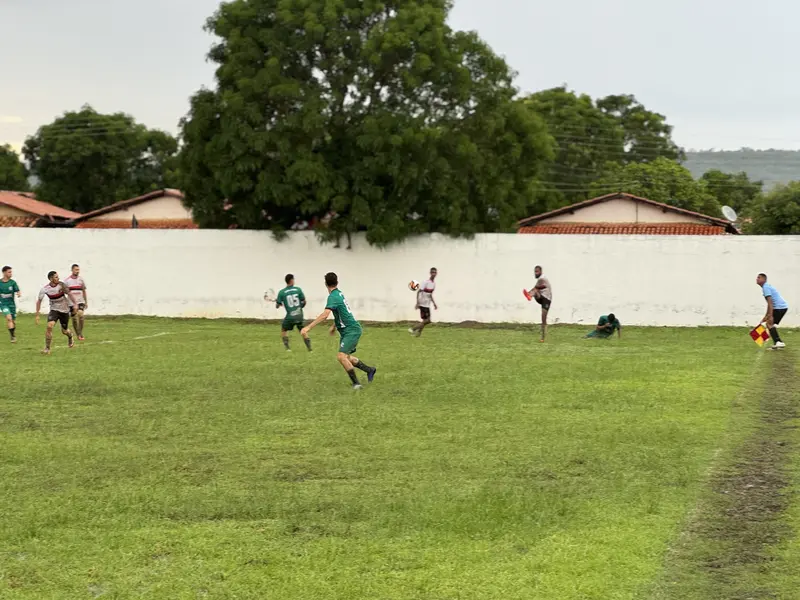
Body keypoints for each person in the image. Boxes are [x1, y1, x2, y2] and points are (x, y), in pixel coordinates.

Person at [301, 272, 376, 389]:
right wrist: (334, 326)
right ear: (337, 282)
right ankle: (369, 370)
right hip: (349, 330)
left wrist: (308, 327)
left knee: (341, 356)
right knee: (347, 357)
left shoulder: (333, 296)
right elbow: (342, 313)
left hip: (351, 330)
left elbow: (325, 315)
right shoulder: (339, 294)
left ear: (326, 284)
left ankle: (357, 384)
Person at [35, 271, 76, 355]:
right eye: (56, 277)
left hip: (64, 310)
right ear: (51, 279)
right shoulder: (45, 289)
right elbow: (39, 301)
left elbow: (69, 294)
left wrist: (75, 304)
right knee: (49, 326)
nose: (58, 278)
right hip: (54, 310)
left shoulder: (62, 285)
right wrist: (37, 315)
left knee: (64, 331)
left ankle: (70, 336)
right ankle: (47, 348)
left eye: (58, 277)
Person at [274, 274, 311, 351]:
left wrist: (278, 304)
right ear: (291, 280)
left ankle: (287, 348)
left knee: (284, 330)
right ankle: (309, 349)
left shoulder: (282, 292)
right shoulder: (298, 289)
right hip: (299, 315)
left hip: (290, 316)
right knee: (303, 331)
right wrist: (300, 307)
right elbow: (304, 302)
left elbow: (277, 305)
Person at [757, 273, 788, 350]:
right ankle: (778, 343)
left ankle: (778, 342)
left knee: (769, 323)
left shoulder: (765, 288)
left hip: (779, 307)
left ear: (764, 279)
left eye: (759, 277)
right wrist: (766, 316)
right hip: (781, 307)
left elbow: (770, 303)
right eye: (757, 277)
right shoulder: (766, 287)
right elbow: (769, 304)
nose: (757, 279)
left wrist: (770, 316)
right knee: (768, 323)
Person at [409, 267, 438, 337]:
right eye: (432, 272)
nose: (434, 274)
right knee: (428, 320)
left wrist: (434, 303)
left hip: (427, 304)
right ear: (430, 273)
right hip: (423, 304)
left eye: (435, 272)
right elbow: (419, 292)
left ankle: (418, 334)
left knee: (425, 320)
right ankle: (413, 329)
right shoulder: (425, 282)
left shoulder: (433, 284)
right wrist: (417, 302)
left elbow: (430, 295)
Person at [526, 265, 552, 342]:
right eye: (535, 271)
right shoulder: (540, 279)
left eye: (537, 271)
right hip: (541, 297)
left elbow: (542, 286)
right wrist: (530, 293)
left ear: (541, 272)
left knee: (543, 318)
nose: (535, 273)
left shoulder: (542, 278)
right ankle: (530, 295)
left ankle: (543, 337)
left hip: (546, 299)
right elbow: (536, 287)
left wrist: (530, 292)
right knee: (535, 290)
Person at [64, 263, 88, 341]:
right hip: (71, 303)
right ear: (72, 270)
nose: (77, 271)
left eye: (78, 270)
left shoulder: (81, 279)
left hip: (80, 301)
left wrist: (86, 301)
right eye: (76, 270)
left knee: (80, 315)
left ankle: (80, 332)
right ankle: (78, 334)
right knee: (74, 319)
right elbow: (65, 292)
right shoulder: (67, 281)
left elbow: (84, 290)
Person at [0, 266, 21, 343]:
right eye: (9, 272)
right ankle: (12, 337)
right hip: (3, 304)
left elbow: (17, 290)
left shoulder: (12, 282)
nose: (11, 273)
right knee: (9, 318)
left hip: (12, 304)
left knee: (13, 321)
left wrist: (18, 293)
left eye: (11, 272)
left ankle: (13, 334)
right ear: (4, 272)